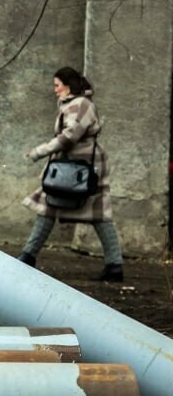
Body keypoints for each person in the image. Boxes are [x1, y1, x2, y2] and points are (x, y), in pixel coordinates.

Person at [18, 67, 123, 281]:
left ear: (69, 85)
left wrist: (40, 151)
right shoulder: (74, 103)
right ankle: (28, 255)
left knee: (97, 214)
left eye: (57, 85)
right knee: (50, 206)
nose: (55, 90)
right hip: (72, 165)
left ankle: (115, 265)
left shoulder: (81, 105)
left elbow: (69, 136)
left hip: (83, 167)